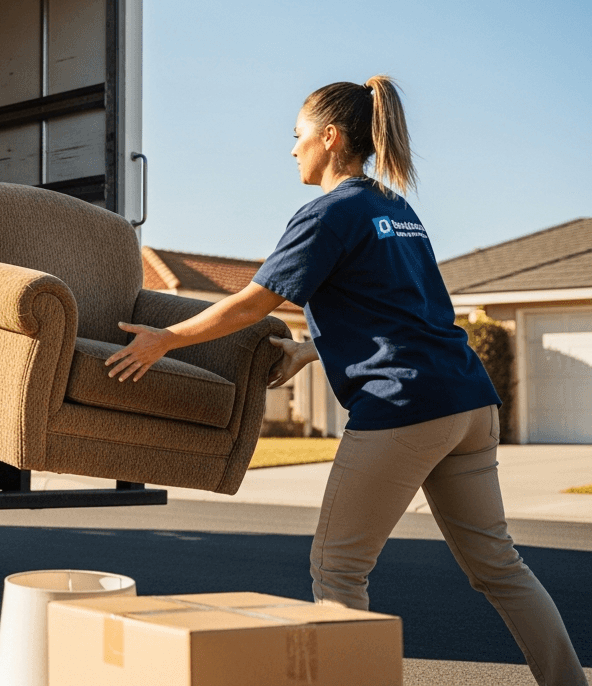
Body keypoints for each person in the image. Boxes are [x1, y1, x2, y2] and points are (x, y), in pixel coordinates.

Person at [105, 76, 586, 686]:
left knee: (338, 569)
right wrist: (310, 352)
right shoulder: (394, 209)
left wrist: (165, 338)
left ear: (329, 137)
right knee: (499, 566)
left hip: (404, 406)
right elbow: (398, 310)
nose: (292, 149)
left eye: (298, 134)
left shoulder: (327, 213)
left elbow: (255, 302)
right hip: (467, 401)